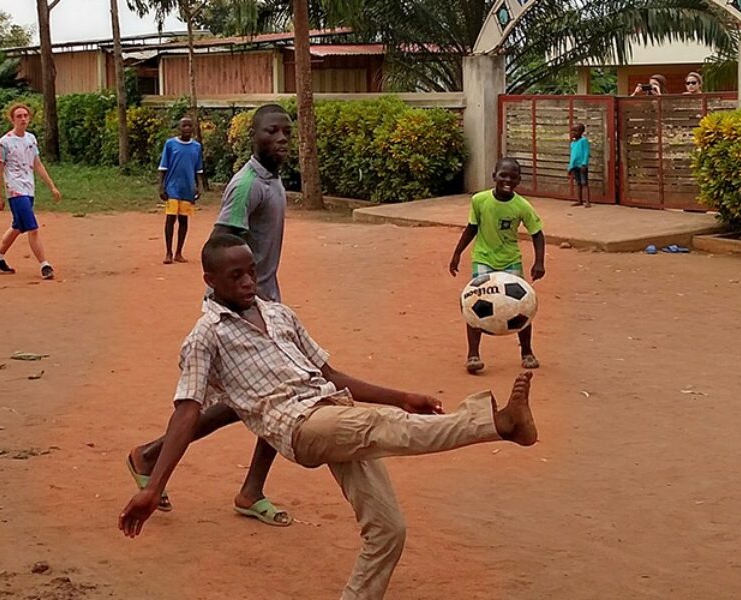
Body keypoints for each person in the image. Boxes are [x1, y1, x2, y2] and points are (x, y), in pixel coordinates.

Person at [118, 234, 541, 600]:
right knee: (375, 425)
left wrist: (401, 396)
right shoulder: (205, 337)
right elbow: (188, 411)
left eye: (252, 270)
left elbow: (329, 374)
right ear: (210, 281)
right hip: (300, 427)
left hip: (334, 410)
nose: (249, 281)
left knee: (387, 530)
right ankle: (496, 423)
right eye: (236, 276)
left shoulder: (279, 314)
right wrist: (155, 487)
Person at [125, 104, 294, 527]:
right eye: (272, 132)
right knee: (279, 393)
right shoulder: (247, 185)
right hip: (240, 306)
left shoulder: (272, 180)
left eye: (286, 133)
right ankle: (240, 487)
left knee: (258, 398)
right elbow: (220, 244)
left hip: (264, 301)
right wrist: (243, 304)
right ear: (253, 136)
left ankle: (153, 456)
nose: (281, 139)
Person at [448, 157, 546, 373]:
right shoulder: (479, 200)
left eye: (513, 176)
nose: (507, 180)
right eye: (503, 175)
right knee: (473, 303)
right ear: (494, 176)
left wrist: (540, 262)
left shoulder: (522, 206)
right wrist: (457, 254)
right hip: (483, 259)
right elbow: (471, 228)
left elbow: (538, 234)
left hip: (511, 260)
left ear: (519, 180)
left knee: (522, 304)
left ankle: (527, 352)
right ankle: (473, 355)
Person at [0, 103, 62, 280]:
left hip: (29, 188)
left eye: (25, 116)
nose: (23, 119)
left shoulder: (31, 139)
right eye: (19, 116)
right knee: (32, 228)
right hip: (15, 190)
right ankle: (45, 265)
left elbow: (37, 163)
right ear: (12, 119)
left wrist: (51, 186)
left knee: (18, 226)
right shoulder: (4, 142)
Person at [158, 117, 205, 264]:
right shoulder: (170, 144)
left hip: (187, 189)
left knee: (183, 220)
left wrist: (199, 186)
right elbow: (163, 167)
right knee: (170, 219)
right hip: (172, 187)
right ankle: (168, 252)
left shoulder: (196, 147)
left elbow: (199, 169)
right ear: (179, 128)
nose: (187, 128)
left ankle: (179, 252)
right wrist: (161, 186)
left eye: (189, 126)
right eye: (184, 125)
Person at [568, 123, 591, 208]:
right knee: (578, 183)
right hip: (574, 166)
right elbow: (572, 156)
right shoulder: (573, 143)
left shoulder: (583, 141)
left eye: (576, 131)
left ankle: (587, 201)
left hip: (582, 166)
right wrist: (570, 167)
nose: (573, 132)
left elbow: (586, 152)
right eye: (572, 131)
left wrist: (584, 164)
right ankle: (579, 200)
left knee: (584, 183)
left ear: (581, 132)